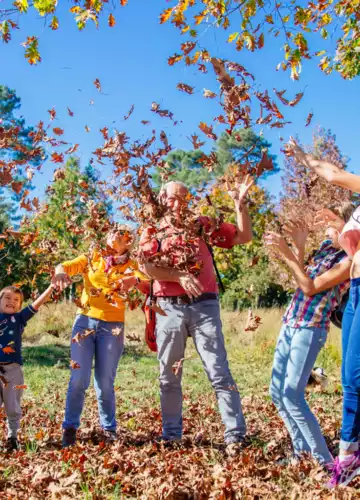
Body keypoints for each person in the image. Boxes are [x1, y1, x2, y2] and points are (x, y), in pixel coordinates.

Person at [139, 176, 253, 456]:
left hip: (204, 305)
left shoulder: (201, 224)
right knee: (169, 374)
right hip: (168, 306)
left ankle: (235, 436)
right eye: (170, 197)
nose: (175, 203)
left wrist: (241, 205)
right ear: (161, 199)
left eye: (181, 197)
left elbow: (244, 236)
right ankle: (171, 435)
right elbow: (146, 268)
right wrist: (177, 274)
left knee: (218, 370)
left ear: (188, 201)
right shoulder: (152, 228)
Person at [289, 140, 360, 487]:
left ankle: (347, 456)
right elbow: (332, 174)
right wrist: (303, 157)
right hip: (356, 293)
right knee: (350, 378)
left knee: (356, 379)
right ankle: (350, 454)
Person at [265, 206, 352, 467]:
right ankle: (301, 453)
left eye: (332, 225)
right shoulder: (326, 248)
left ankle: (324, 461)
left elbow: (310, 286)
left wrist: (285, 252)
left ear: (347, 227)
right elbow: (301, 277)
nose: (327, 231)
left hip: (310, 327)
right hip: (291, 321)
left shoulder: (349, 261)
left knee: (291, 392)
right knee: (277, 392)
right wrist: (298, 246)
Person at [53, 225, 143, 447]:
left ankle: (109, 429)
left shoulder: (133, 264)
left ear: (129, 241)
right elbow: (64, 265)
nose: (113, 235)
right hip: (84, 322)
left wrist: (136, 280)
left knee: (104, 382)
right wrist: (60, 272)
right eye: (112, 232)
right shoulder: (93, 257)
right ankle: (70, 428)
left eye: (120, 234)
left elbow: (147, 279)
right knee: (78, 379)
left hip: (113, 327)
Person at [0, 284, 54, 451]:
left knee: (12, 405)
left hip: (14, 370)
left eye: (16, 300)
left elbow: (35, 305)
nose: (11, 301)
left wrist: (51, 287)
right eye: (7, 298)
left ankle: (12, 437)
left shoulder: (19, 319)